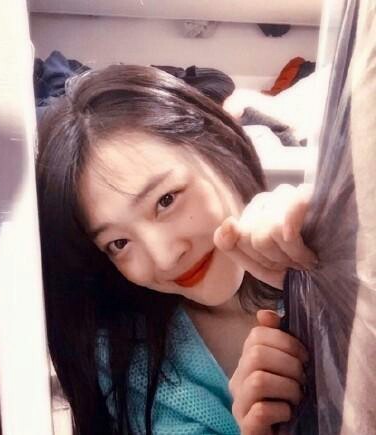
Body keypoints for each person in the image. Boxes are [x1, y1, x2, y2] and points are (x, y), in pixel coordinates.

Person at [36, 64, 316, 435]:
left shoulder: (317, 246)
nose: (165, 258)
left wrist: (328, 269)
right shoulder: (128, 363)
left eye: (166, 200)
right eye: (118, 243)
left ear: (220, 147)